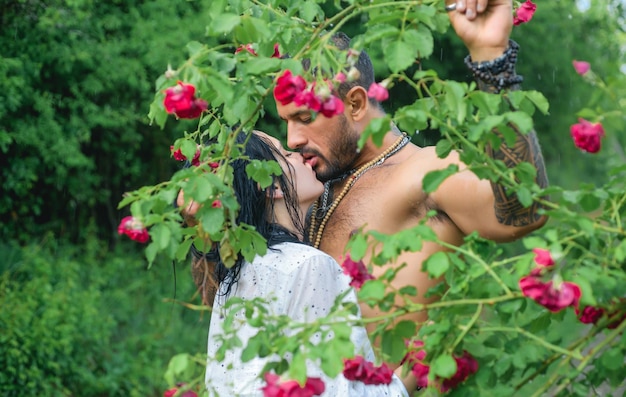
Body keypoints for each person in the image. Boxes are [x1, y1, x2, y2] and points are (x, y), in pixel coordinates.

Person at [274, 0, 548, 391]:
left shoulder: (425, 173)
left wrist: (492, 58)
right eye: (286, 121)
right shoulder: (308, 185)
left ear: (354, 103)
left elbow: (525, 211)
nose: (292, 139)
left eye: (304, 118)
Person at [187, 131, 409, 396]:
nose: (299, 154)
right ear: (271, 186)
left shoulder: (238, 274)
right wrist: (419, 366)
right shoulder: (307, 265)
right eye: (286, 154)